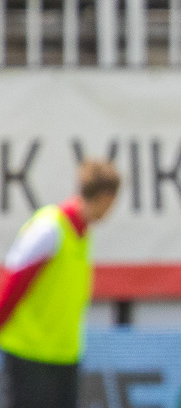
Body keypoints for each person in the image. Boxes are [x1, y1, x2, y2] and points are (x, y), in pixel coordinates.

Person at [0, 159, 120, 408]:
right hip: (28, 355)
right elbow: (11, 283)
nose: (111, 210)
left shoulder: (83, 233)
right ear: (105, 197)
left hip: (65, 356)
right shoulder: (49, 228)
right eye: (112, 202)